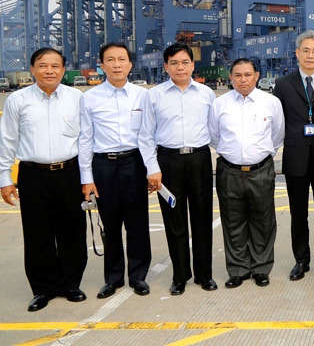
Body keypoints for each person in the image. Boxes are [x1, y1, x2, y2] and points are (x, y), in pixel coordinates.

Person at [0, 48, 87, 312]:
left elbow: (85, 140)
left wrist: (88, 177)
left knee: (72, 230)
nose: (49, 71)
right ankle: (43, 289)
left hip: (69, 172)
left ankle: (70, 284)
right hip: (32, 174)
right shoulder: (17, 100)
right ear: (32, 69)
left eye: (55, 66)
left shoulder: (76, 98)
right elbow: (7, 140)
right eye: (42, 65)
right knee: (37, 233)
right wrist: (5, 178)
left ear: (63, 69)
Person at [138, 43, 217, 295]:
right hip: (168, 164)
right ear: (166, 67)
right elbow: (146, 135)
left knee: (203, 218)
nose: (180, 67)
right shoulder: (154, 95)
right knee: (175, 221)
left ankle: (204, 275)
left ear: (193, 65)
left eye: (185, 62)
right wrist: (153, 168)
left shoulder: (206, 94)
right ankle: (180, 276)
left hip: (200, 161)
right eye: (174, 63)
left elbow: (214, 131)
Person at [79, 42, 152, 299]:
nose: (117, 64)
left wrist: (151, 169)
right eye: (110, 59)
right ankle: (112, 278)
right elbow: (85, 140)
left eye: (122, 59)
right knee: (109, 224)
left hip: (134, 162)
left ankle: (138, 276)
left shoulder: (143, 96)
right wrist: (86, 178)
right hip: (104, 165)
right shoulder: (89, 98)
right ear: (102, 65)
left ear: (130, 64)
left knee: (137, 223)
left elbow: (147, 136)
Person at [209, 58, 284, 288]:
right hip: (229, 171)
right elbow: (214, 137)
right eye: (238, 75)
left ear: (256, 76)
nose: (243, 79)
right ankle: (238, 269)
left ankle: (261, 268)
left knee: (263, 221)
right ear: (230, 77)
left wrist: (257, 156)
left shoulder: (270, 102)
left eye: (248, 75)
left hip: (261, 169)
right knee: (233, 222)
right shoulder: (219, 104)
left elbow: (277, 135)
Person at [273, 31, 314, 281]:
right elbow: (277, 123)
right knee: (298, 213)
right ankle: (301, 260)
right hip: (296, 157)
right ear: (297, 53)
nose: (310, 55)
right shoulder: (283, 84)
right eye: (305, 50)